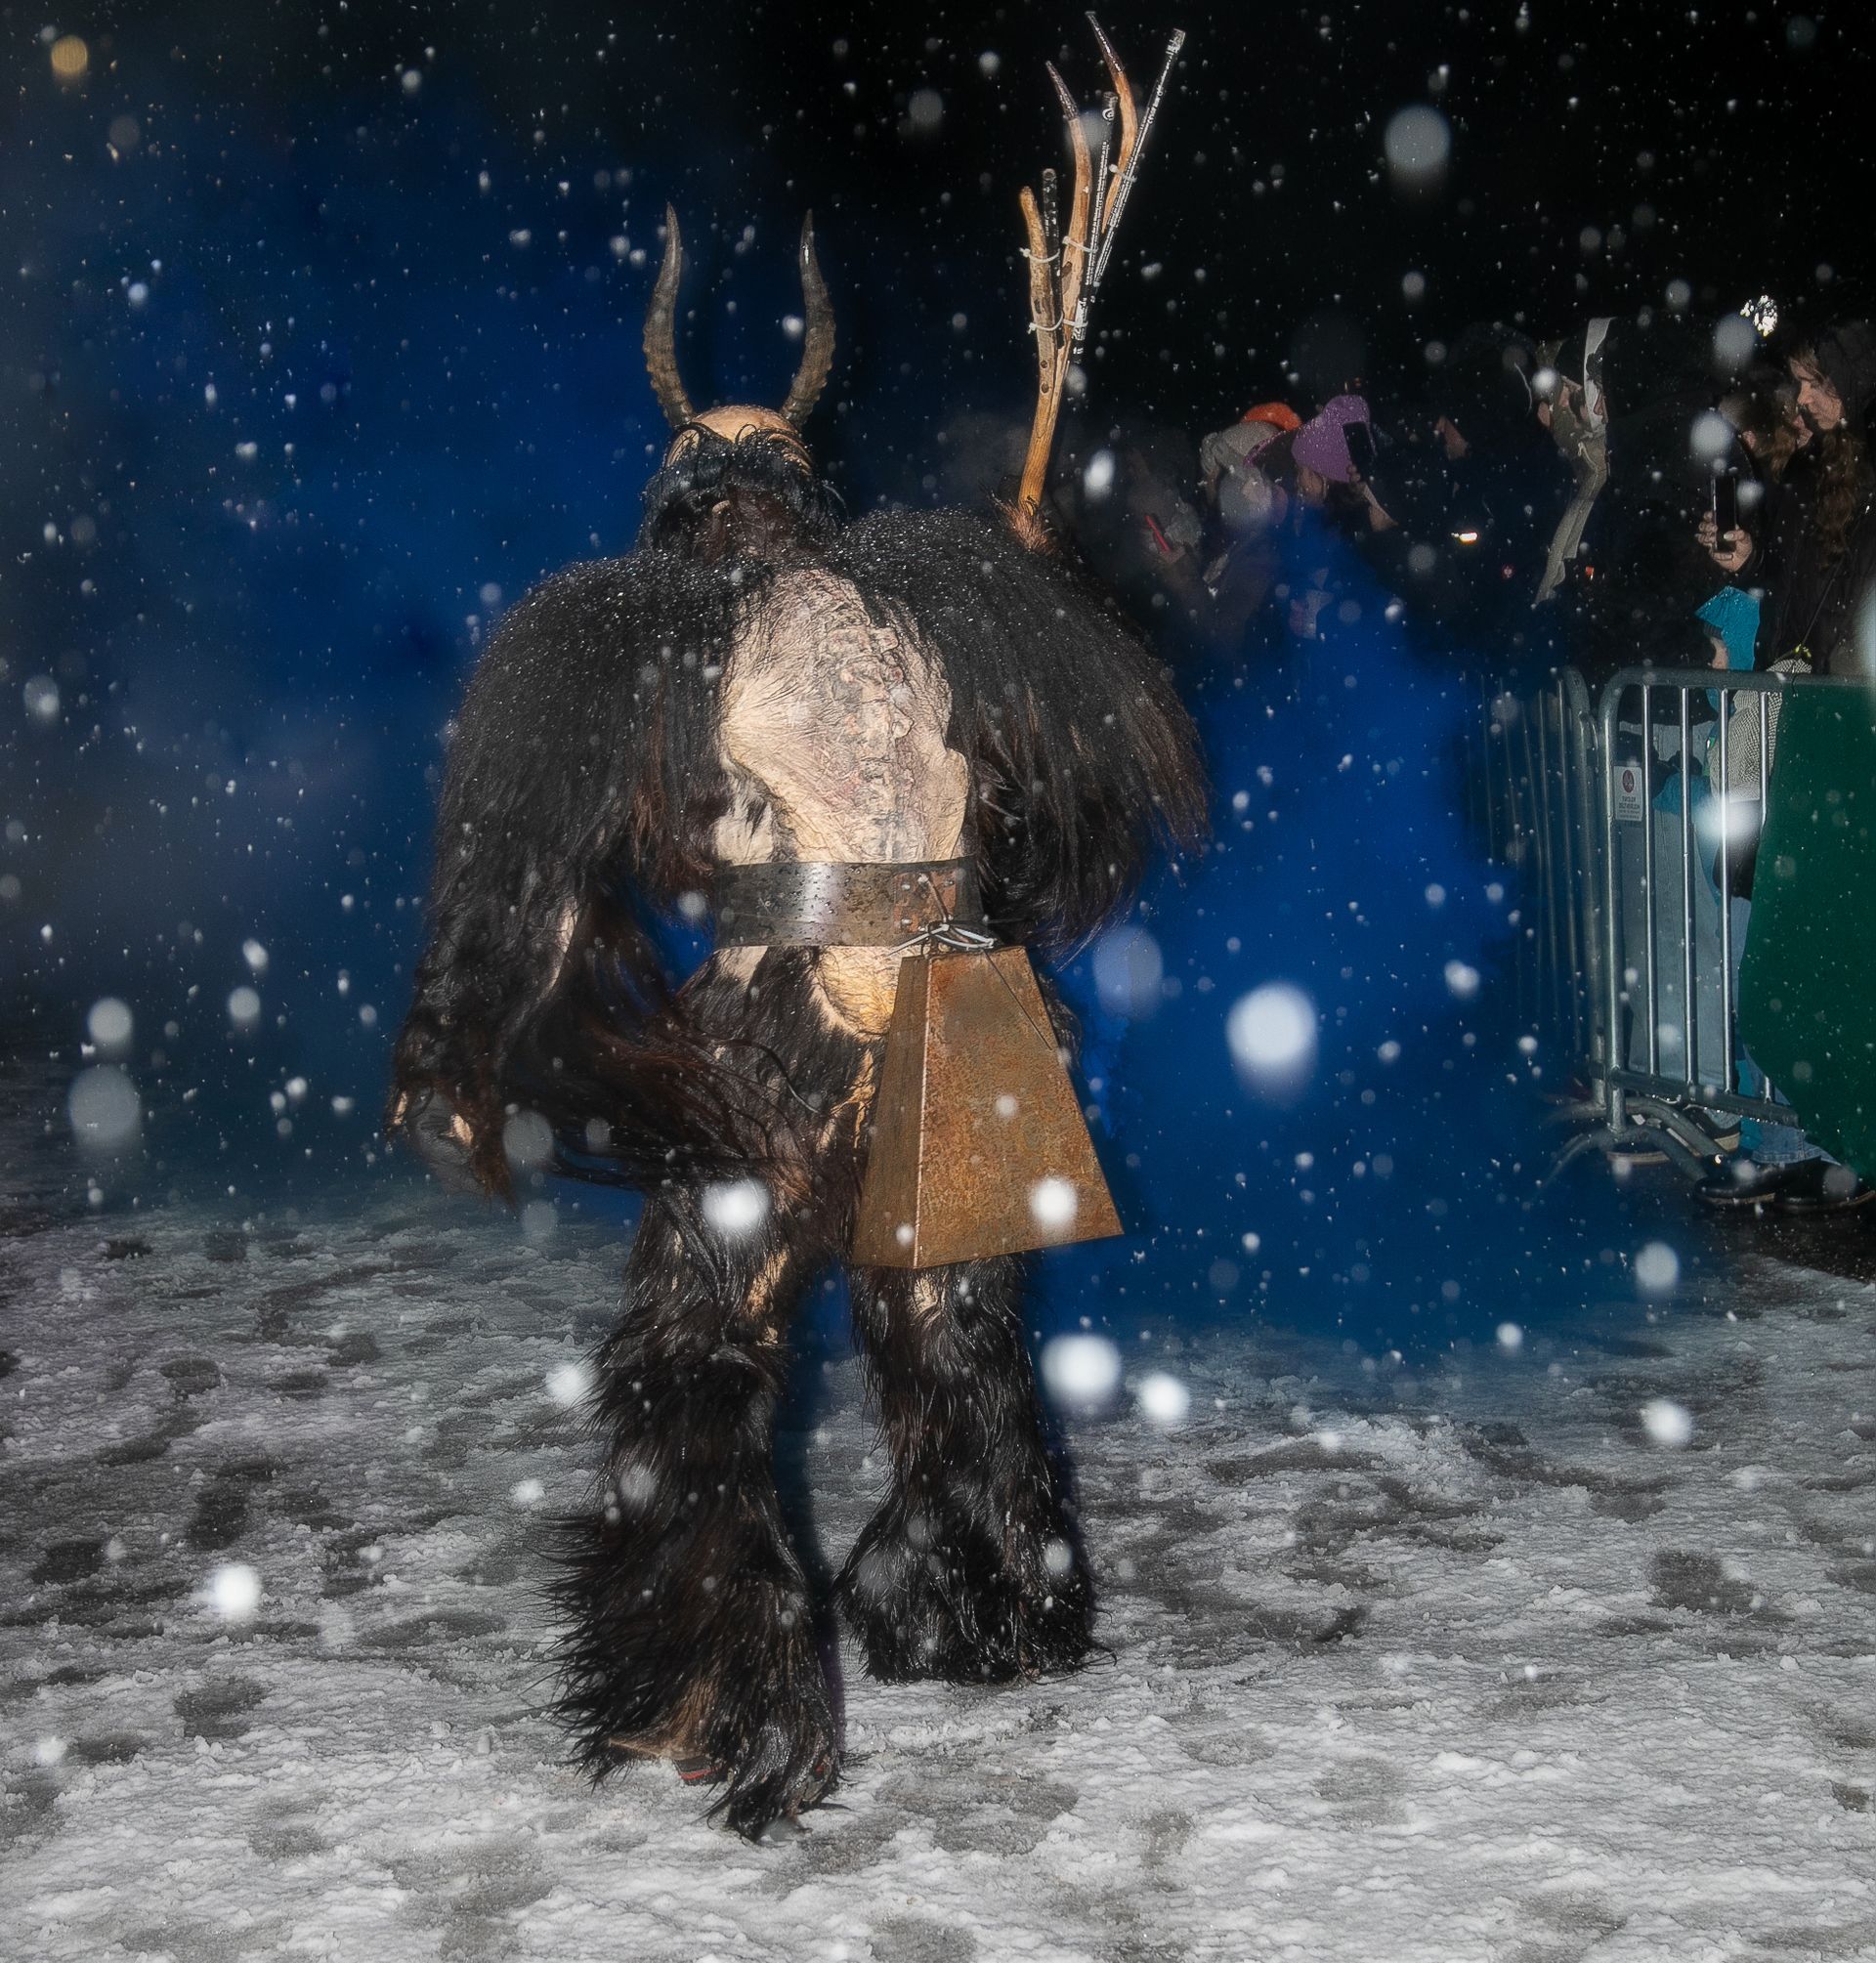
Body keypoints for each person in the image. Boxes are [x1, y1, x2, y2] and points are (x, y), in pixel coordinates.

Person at [386, 211, 1206, 1835]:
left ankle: (739, 1670)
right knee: (932, 1339)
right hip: (954, 1002)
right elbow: (1077, 770)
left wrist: (455, 1040)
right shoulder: (915, 597)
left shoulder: (690, 618)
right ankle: (963, 1603)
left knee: (710, 1350)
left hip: (822, 1012)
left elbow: (522, 863)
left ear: (696, 500)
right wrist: (1027, 614)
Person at [1754, 321, 1876, 676]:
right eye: (1800, 384)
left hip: (1842, 689)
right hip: (1786, 674)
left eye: (1814, 383)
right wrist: (1750, 560)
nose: (1802, 399)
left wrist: (1832, 674)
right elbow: (1786, 578)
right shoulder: (1806, 467)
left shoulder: (1868, 475)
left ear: (1849, 379)